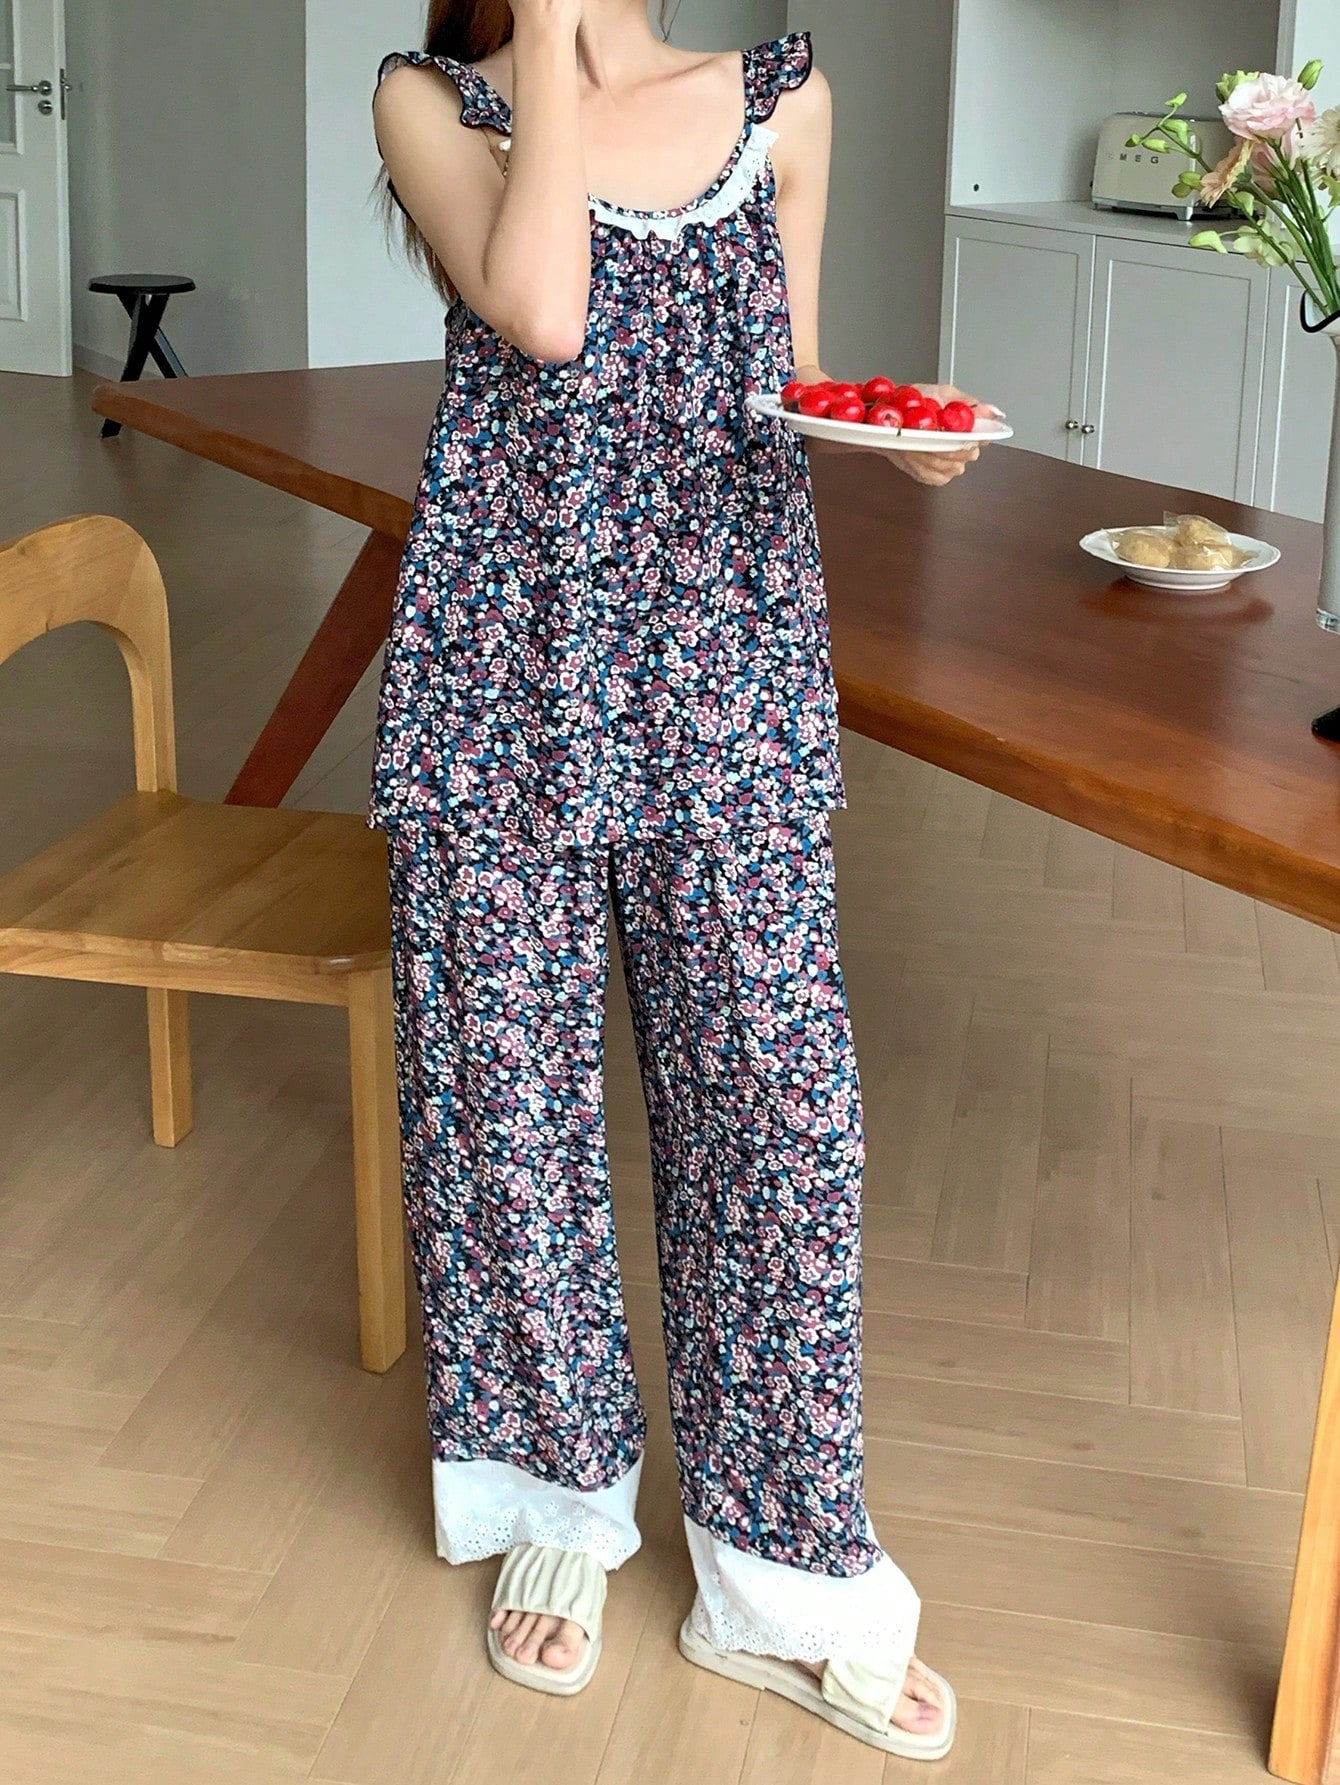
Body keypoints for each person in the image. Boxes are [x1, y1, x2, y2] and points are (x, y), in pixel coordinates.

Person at [370, 0, 986, 1759]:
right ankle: (556, 1498)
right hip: (506, 663)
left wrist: (892, 431)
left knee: (780, 1108)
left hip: (728, 659)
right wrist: (557, 46)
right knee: (506, 1108)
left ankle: (783, 1573)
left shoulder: (780, 99)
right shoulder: (434, 103)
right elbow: (546, 314)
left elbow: (787, 382)